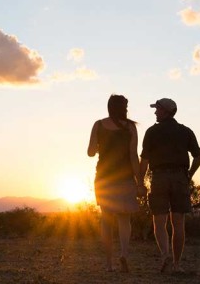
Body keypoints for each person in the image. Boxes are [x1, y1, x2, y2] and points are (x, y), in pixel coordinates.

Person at [138, 98, 200, 273]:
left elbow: (144, 160)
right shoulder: (186, 131)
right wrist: (189, 175)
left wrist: (140, 181)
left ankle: (165, 255)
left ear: (165, 111)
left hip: (159, 177)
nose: (155, 112)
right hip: (180, 177)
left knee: (159, 221)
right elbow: (198, 156)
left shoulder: (151, 132)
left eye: (157, 109)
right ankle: (176, 264)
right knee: (178, 222)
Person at [87, 94, 141, 272]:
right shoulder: (130, 127)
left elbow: (90, 152)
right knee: (125, 219)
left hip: (104, 178)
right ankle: (124, 253)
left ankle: (108, 264)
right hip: (125, 178)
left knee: (106, 220)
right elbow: (134, 156)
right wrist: (140, 181)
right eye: (126, 106)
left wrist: (100, 145)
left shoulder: (99, 125)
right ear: (122, 108)